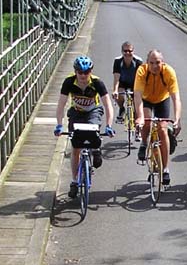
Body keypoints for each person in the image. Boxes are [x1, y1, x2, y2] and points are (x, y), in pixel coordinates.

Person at [54, 55, 115, 198]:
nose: (83, 75)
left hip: (93, 111)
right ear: (75, 72)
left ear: (91, 71)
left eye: (86, 72)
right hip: (76, 112)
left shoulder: (97, 83)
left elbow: (108, 105)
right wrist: (58, 124)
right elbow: (61, 105)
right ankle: (74, 181)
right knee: (75, 147)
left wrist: (109, 125)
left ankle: (96, 149)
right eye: (80, 72)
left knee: (93, 132)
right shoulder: (69, 82)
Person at [134, 49, 182, 186]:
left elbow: (176, 98)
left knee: (163, 129)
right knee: (147, 121)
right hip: (146, 99)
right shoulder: (142, 71)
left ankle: (165, 168)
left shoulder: (169, 72)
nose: (155, 66)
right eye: (152, 63)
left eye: (158, 62)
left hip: (162, 99)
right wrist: (140, 117)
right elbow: (137, 95)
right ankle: (144, 142)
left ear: (163, 62)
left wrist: (177, 119)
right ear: (147, 63)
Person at [112, 41, 143, 123]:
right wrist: (115, 90)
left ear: (133, 51)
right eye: (125, 51)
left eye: (130, 51)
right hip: (122, 82)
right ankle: (121, 108)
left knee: (137, 106)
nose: (127, 53)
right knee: (119, 94)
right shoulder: (118, 61)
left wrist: (139, 92)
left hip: (135, 83)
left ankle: (137, 130)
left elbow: (140, 78)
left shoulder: (138, 61)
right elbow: (116, 77)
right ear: (122, 52)